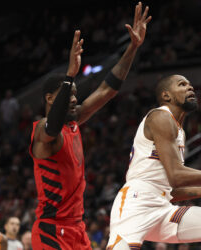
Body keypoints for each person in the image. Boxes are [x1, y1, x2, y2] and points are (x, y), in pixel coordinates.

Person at [29, 2, 151, 250]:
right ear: (51, 98)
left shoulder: (74, 122)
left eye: (75, 94)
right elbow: (51, 127)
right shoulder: (42, 131)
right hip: (51, 229)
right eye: (69, 94)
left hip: (76, 228)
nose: (75, 99)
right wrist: (69, 77)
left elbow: (107, 89)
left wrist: (133, 47)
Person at [106, 74, 201, 250]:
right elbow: (176, 176)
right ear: (167, 96)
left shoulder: (179, 132)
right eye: (182, 85)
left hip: (163, 207)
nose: (190, 88)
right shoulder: (160, 117)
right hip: (135, 204)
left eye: (190, 85)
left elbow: (173, 191)